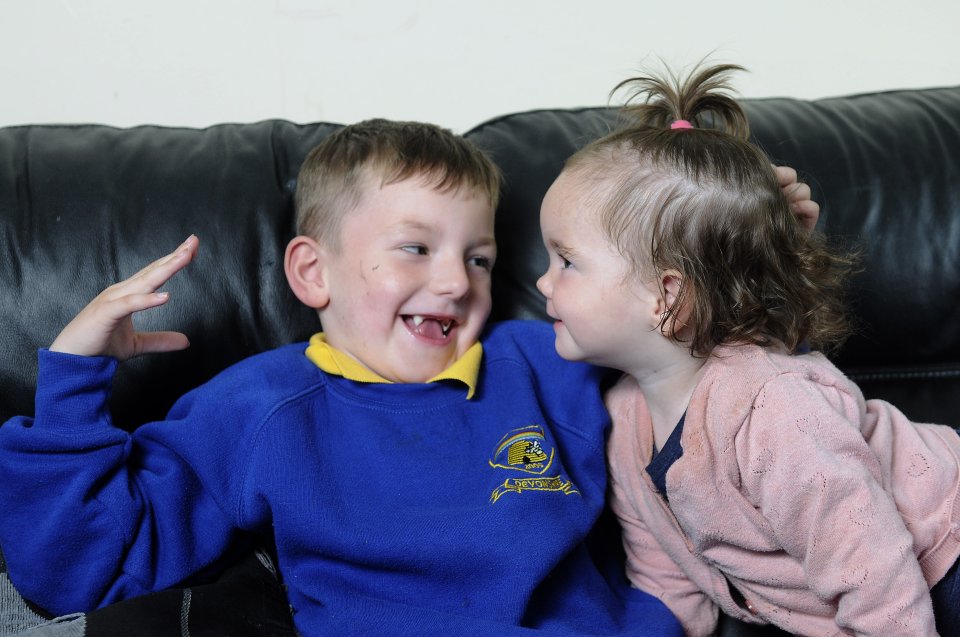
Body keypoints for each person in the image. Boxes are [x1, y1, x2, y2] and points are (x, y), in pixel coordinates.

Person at [0, 117, 815, 636]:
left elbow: (719, 394)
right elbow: (75, 568)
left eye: (481, 257)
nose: (458, 281)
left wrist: (748, 248)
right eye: (416, 248)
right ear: (313, 272)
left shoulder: (542, 362)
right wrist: (74, 378)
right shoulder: (257, 407)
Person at [535, 63, 960, 636]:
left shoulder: (772, 409)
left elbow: (873, 569)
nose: (542, 282)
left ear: (665, 295)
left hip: (941, 555)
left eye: (566, 262)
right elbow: (666, 577)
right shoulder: (624, 423)